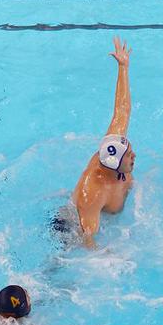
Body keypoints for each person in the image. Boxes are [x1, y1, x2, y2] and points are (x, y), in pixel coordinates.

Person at [58, 37, 133, 248]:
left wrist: (123, 67)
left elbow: (122, 110)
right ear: (115, 164)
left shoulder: (113, 146)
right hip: (71, 223)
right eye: (129, 155)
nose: (134, 155)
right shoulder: (91, 193)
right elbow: (87, 240)